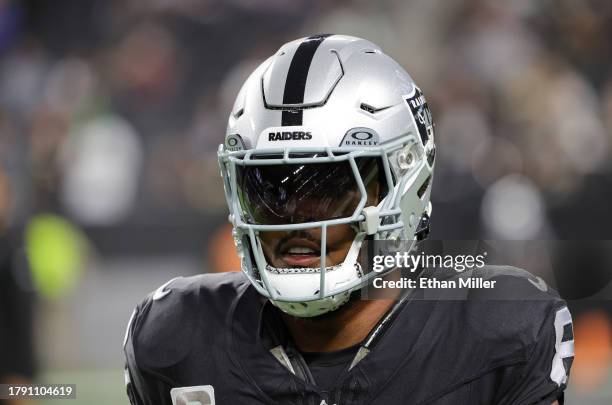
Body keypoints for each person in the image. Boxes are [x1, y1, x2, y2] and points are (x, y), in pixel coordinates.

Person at [124, 35, 573, 405]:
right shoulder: (174, 335)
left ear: (403, 178)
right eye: (269, 188)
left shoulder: (499, 331)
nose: (293, 217)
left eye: (325, 189)